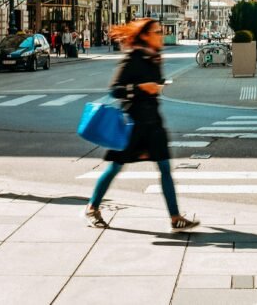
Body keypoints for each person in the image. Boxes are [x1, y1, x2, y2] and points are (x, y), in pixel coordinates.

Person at [85, 18, 200, 233]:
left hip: (153, 124)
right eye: (157, 32)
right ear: (145, 35)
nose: (161, 35)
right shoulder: (133, 58)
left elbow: (156, 84)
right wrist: (140, 87)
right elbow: (115, 90)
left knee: (165, 167)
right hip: (133, 125)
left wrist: (156, 85)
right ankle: (92, 207)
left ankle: (175, 218)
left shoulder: (154, 58)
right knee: (115, 167)